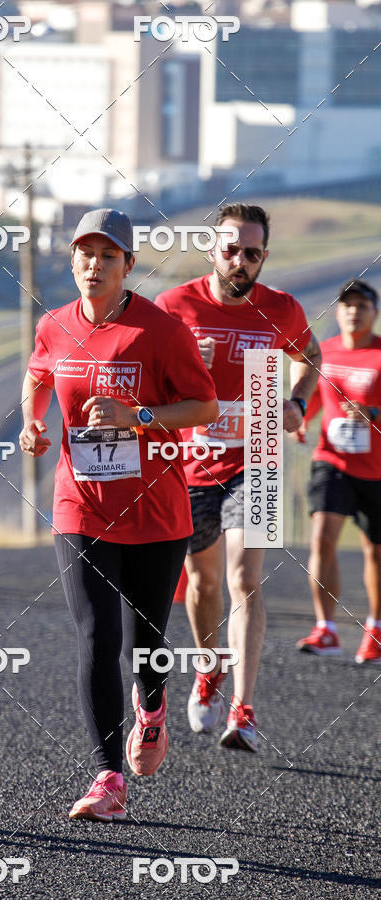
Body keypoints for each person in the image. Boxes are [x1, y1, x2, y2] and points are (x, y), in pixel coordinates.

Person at [19, 208, 218, 821]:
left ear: (128, 265)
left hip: (156, 508)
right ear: (72, 260)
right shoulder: (53, 325)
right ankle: (107, 777)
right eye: (85, 253)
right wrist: (31, 421)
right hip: (80, 504)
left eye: (108, 256)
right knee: (97, 635)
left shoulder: (159, 330)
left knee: (146, 639)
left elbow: (205, 406)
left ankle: (152, 707)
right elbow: (37, 375)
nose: (94, 265)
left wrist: (141, 417)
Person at [155, 203, 321, 752]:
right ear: (212, 249)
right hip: (191, 463)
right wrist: (181, 361)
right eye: (230, 249)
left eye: (252, 252)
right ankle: (209, 668)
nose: (240, 260)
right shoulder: (175, 306)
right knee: (202, 583)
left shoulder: (282, 309)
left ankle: (243, 711)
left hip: (260, 456)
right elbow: (145, 382)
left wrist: (297, 400)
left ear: (264, 256)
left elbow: (309, 354)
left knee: (245, 579)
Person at [295, 279, 381, 665]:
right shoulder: (323, 353)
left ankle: (375, 629)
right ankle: (325, 628)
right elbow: (311, 399)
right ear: (337, 312)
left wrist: (373, 414)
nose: (353, 311)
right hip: (332, 461)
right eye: (347, 305)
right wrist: (301, 422)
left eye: (362, 305)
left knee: (374, 552)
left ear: (373, 313)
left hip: (376, 469)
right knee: (322, 538)